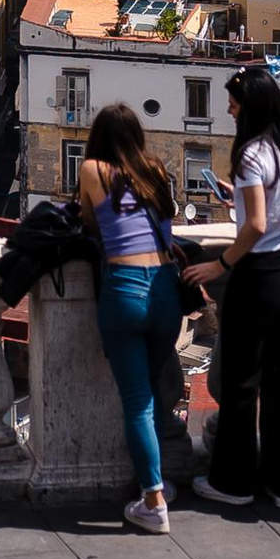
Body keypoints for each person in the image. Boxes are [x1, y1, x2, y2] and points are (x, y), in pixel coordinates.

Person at [193, 66, 280, 516]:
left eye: (234, 102)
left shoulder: (249, 156)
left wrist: (220, 263)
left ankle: (234, 480)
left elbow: (258, 224)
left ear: (251, 106)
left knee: (242, 380)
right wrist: (238, 197)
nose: (228, 108)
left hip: (259, 273)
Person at [79, 105, 188, 535]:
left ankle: (153, 498)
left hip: (124, 287)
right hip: (164, 291)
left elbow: (89, 221)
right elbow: (167, 223)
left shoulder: (92, 170)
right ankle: (158, 481)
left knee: (138, 402)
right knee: (156, 396)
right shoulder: (156, 170)